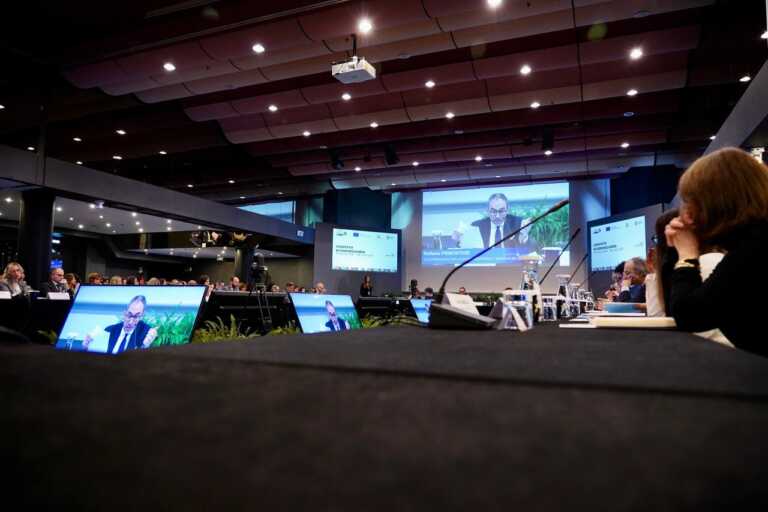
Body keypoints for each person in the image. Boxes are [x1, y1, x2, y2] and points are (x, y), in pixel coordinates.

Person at [665, 147, 768, 356]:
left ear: (714, 202)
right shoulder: (751, 240)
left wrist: (687, 255)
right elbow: (677, 307)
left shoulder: (755, 245)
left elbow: (690, 316)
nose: (687, 212)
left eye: (691, 201)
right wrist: (677, 252)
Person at [83, 295, 158, 354]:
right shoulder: (110, 330)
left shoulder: (146, 334)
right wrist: (86, 348)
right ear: (124, 312)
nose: (131, 322)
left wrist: (145, 347)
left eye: (136, 316)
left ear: (142, 316)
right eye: (129, 315)